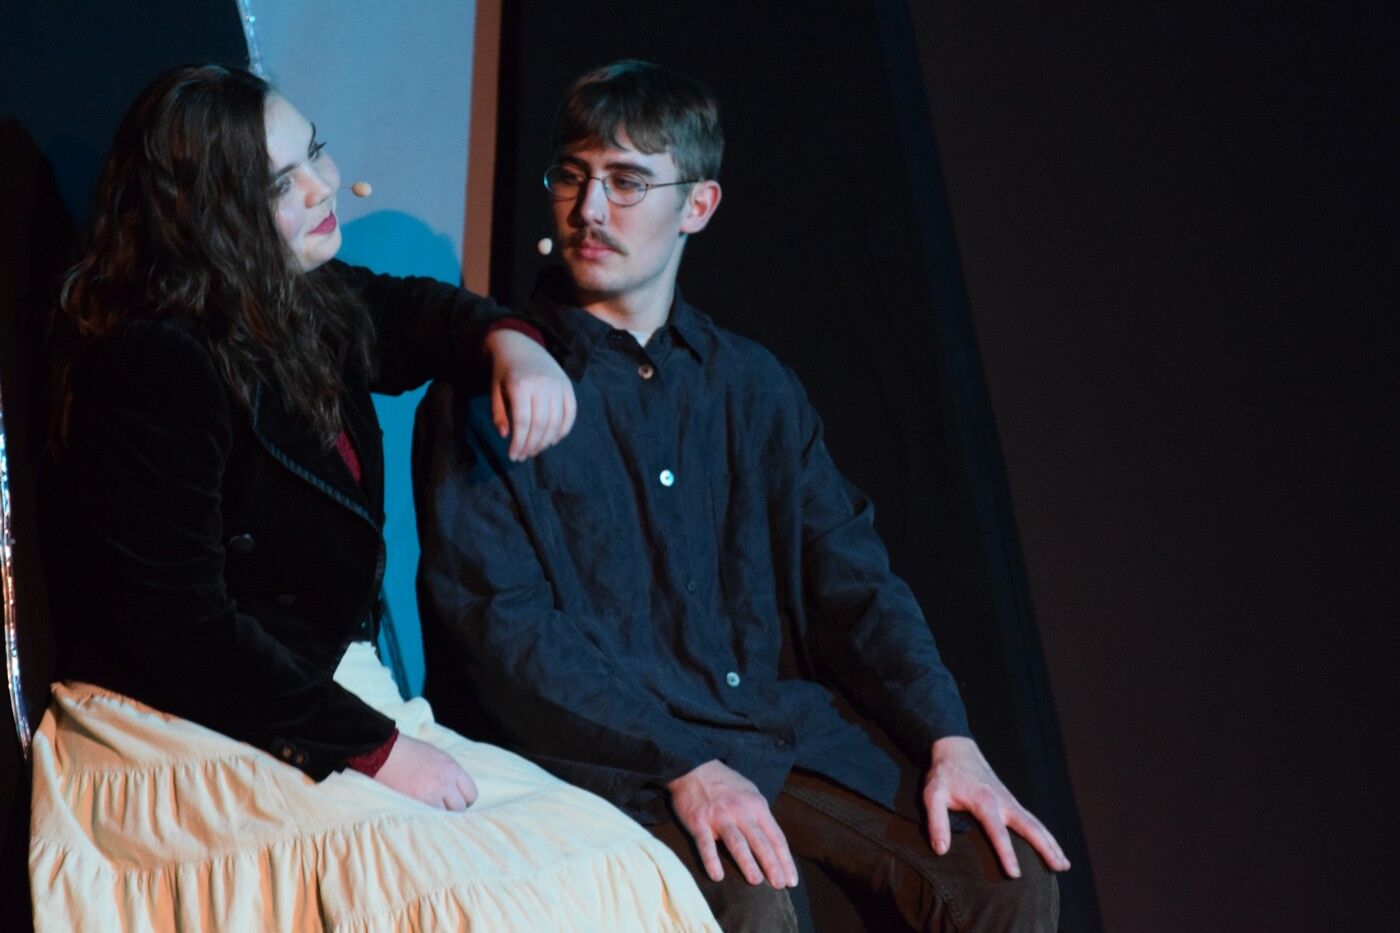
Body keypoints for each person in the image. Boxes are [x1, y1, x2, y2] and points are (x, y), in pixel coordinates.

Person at [29, 63, 716, 931]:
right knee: (463, 903)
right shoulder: (158, 360)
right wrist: (374, 749)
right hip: (185, 722)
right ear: (212, 211)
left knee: (615, 863)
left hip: (320, 692)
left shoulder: (303, 299)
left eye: (313, 152)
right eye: (279, 183)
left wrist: (512, 343)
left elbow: (420, 315)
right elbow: (178, 628)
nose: (323, 185)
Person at [415, 60, 1069, 932]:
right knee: (751, 902)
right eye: (571, 176)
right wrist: (681, 760)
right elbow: (502, 629)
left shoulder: (753, 386)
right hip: (600, 758)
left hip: (766, 733)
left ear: (698, 205)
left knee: (1007, 875)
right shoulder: (487, 387)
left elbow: (855, 584)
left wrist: (951, 739)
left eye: (626, 181)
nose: (590, 210)